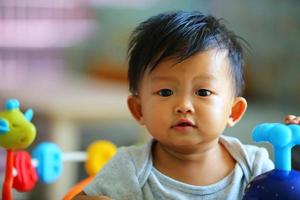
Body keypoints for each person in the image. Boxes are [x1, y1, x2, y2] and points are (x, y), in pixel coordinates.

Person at [73, 11, 298, 200]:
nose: (183, 105)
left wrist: (292, 155)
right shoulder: (129, 167)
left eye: (203, 92)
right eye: (165, 92)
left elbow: (287, 191)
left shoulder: (252, 165)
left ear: (234, 111)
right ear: (139, 109)